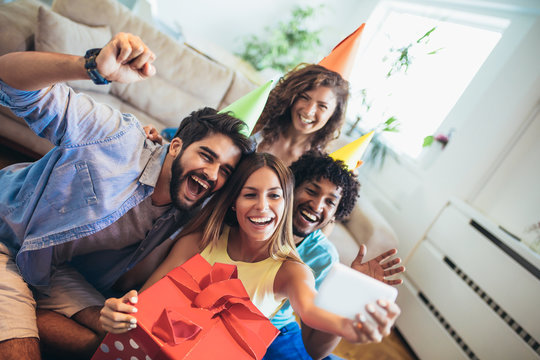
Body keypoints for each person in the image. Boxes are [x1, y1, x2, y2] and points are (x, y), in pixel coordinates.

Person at [0, 32, 254, 359]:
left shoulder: (192, 207)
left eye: (226, 171)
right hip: (6, 235)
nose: (213, 174)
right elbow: (9, 81)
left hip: (50, 267)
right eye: (206, 156)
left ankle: (24, 316)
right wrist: (90, 66)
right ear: (174, 146)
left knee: (121, 342)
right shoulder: (116, 138)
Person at [100, 153, 393, 347]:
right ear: (232, 203)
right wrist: (118, 313)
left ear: (285, 201)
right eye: (250, 194)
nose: (262, 207)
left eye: (274, 196)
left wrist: (353, 322)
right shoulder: (198, 242)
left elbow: (312, 311)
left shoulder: (291, 271)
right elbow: (145, 304)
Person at [264, 151, 404, 359]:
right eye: (311, 191)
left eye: (330, 202)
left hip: (280, 331)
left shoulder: (324, 256)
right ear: (291, 188)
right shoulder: (259, 221)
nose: (317, 205)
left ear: (336, 213)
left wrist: (349, 294)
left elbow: (316, 349)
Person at [253, 64, 350, 166]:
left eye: (322, 106)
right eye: (304, 97)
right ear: (292, 96)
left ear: (333, 115)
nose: (308, 111)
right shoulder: (261, 124)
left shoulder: (316, 166)